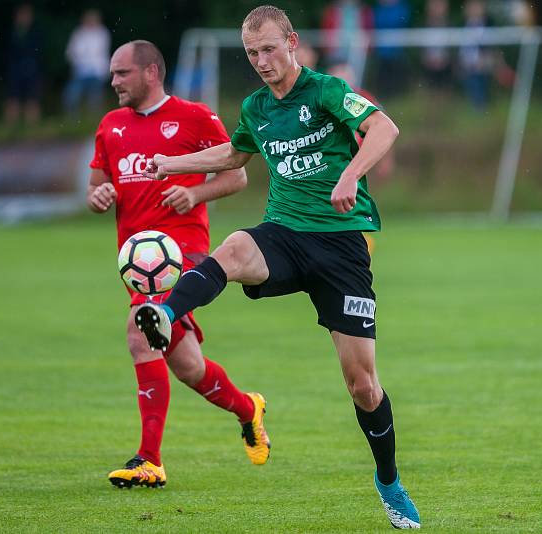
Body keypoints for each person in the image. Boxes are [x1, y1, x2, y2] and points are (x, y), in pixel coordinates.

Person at [135, 5, 420, 529]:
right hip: (284, 233)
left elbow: (385, 129)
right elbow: (233, 155)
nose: (262, 61)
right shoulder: (257, 107)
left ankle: (388, 479)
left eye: (269, 49)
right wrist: (173, 163)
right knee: (234, 249)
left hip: (340, 247)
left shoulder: (328, 90)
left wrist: (351, 174)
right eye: (251, 53)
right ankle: (164, 313)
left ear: (291, 41)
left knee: (363, 383)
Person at [88, 40, 269, 489]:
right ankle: (249, 409)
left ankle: (149, 459)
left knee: (138, 333)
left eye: (121, 73)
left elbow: (238, 174)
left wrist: (195, 193)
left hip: (181, 253)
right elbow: (96, 186)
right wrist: (100, 196)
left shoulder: (194, 117)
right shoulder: (111, 126)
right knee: (187, 365)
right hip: (135, 262)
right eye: (113, 74)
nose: (113, 82)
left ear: (151, 72)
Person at [64, 9, 111, 117]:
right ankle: (73, 119)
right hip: (80, 71)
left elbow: (101, 53)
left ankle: (94, 121)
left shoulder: (102, 33)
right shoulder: (79, 33)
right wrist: (77, 63)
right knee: (72, 96)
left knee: (95, 98)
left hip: (97, 72)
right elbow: (71, 52)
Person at [5, 4, 43, 124]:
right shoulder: (12, 32)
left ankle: (32, 125)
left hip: (32, 68)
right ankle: (12, 124)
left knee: (32, 98)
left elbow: (39, 52)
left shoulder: (35, 32)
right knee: (13, 97)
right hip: (15, 69)